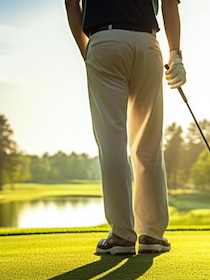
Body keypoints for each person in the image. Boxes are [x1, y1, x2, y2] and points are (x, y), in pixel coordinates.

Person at [64, 0, 186, 255]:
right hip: (147, 43)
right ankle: (152, 235)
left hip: (104, 41)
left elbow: (70, 2)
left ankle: (121, 235)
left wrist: (85, 49)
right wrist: (175, 54)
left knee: (112, 143)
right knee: (148, 145)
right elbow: (169, 4)